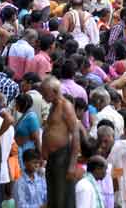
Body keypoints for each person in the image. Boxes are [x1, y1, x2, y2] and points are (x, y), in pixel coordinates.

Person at [42, 76, 79, 208]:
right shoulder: (53, 106)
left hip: (63, 157)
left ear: (54, 91)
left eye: (45, 93)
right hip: (53, 158)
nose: (43, 97)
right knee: (53, 196)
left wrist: (72, 164)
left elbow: (75, 133)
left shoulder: (65, 106)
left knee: (62, 197)